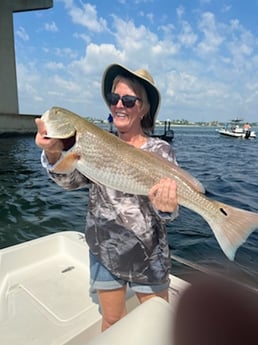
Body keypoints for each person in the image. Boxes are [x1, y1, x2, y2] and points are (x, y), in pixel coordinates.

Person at [35, 63, 178, 331]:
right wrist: (54, 153)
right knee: (112, 320)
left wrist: (167, 208)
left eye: (129, 99)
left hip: (148, 255)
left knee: (158, 326)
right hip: (105, 250)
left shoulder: (161, 150)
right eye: (114, 98)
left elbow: (167, 212)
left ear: (144, 108)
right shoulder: (94, 143)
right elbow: (71, 181)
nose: (119, 105)